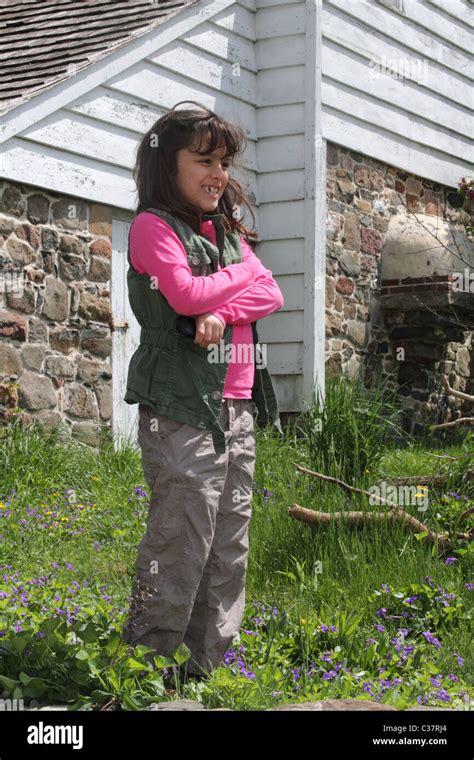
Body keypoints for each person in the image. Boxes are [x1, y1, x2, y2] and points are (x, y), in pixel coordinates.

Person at [121, 100, 284, 681]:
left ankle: (205, 672)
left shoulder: (226, 232)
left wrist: (223, 302)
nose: (219, 173)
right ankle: (143, 669)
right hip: (183, 409)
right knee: (180, 541)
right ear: (169, 166)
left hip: (236, 407)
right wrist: (239, 279)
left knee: (228, 546)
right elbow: (187, 297)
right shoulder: (151, 228)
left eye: (224, 162)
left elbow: (273, 296)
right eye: (204, 160)